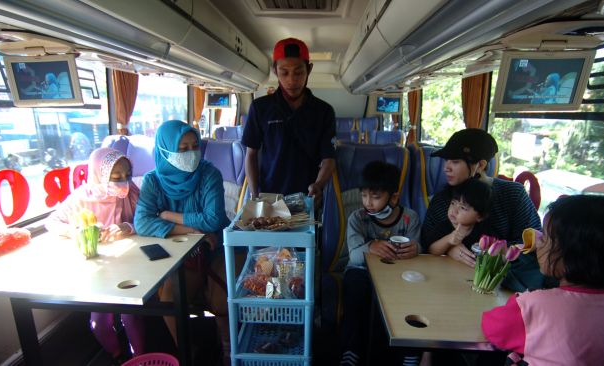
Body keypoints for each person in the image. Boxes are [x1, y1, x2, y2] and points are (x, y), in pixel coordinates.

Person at [482, 195, 604, 365]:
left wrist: (517, 301)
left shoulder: (533, 306)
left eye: (545, 238)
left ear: (576, 256)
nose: (538, 244)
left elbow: (492, 328)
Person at [133, 120, 232, 363]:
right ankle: (186, 351)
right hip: (180, 251)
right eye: (182, 149)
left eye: (194, 146)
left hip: (214, 247)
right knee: (169, 296)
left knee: (221, 297)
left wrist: (167, 216)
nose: (191, 154)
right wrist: (190, 229)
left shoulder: (209, 173)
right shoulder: (153, 181)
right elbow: (142, 223)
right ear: (165, 151)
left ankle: (229, 349)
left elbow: (213, 219)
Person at [45, 147, 144, 363]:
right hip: (97, 266)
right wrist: (77, 232)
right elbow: (52, 222)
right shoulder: (81, 198)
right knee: (99, 319)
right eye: (115, 178)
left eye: (127, 176)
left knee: (131, 314)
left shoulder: (132, 192)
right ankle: (116, 354)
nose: (123, 183)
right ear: (99, 176)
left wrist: (128, 227)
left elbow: (148, 218)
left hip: (131, 262)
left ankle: (141, 357)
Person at [421, 128, 546, 292]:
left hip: (499, 284)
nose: (446, 168)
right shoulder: (443, 198)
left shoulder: (513, 194)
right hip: (449, 282)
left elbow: (534, 241)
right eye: (446, 161)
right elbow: (426, 242)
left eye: (456, 162)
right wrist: (449, 248)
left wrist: (496, 251)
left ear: (480, 165)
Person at [340, 161, 421, 366]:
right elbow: (354, 256)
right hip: (362, 272)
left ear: (393, 196)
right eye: (364, 195)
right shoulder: (357, 219)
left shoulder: (409, 219)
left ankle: (410, 351)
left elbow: (418, 248)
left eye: (375, 197)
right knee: (355, 289)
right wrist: (371, 246)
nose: (368, 202)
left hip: (398, 273)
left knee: (415, 293)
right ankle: (352, 349)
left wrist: (416, 249)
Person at [241, 37, 336, 206]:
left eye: (299, 72)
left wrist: (319, 185)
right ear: (275, 71)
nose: (292, 80)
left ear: (309, 69)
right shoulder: (260, 108)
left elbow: (329, 158)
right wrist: (255, 195)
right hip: (269, 199)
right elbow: (251, 154)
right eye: (284, 72)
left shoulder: (324, 111)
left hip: (308, 199)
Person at [427, 178, 492, 256]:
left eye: (463, 208)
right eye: (453, 203)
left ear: (480, 217)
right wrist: (448, 239)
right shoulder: (443, 227)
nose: (454, 210)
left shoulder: (485, 233)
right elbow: (431, 250)